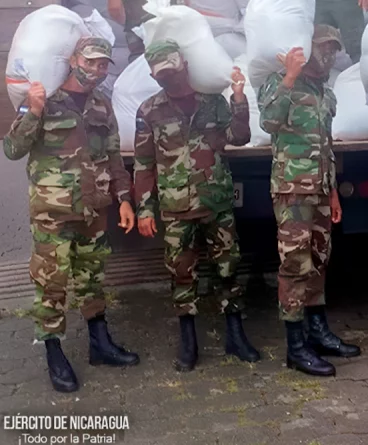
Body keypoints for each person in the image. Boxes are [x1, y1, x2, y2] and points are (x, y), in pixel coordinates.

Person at [3, 37, 140, 393]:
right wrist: (32, 112)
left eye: (103, 64)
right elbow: (12, 149)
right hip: (54, 213)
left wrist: (124, 199)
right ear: (74, 58)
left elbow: (113, 156)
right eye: (90, 61)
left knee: (92, 277)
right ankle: (53, 352)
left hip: (94, 209)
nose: (96, 69)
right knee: (52, 284)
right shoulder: (44, 99)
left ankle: (100, 344)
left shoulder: (101, 106)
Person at [133, 40, 257, 372]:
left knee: (228, 268)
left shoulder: (213, 102)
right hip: (176, 208)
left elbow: (240, 137)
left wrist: (239, 99)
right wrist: (144, 209)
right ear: (152, 75)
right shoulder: (149, 110)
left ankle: (235, 334)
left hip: (215, 201)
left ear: (184, 64)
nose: (168, 79)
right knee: (181, 275)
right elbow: (144, 164)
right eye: (161, 75)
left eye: (171, 71)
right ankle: (188, 340)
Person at [258, 24, 361, 377]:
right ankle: (296, 346)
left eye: (334, 48)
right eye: (323, 48)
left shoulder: (324, 92)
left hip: (319, 190)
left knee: (319, 260)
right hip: (291, 190)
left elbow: (327, 147)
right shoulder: (280, 82)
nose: (329, 54)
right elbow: (269, 121)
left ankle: (318, 332)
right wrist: (289, 75)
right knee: (294, 265)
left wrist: (332, 193)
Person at [107, 0, 188, 62]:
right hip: (174, 24)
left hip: (140, 33)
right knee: (181, 63)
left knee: (145, 70)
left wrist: (132, 24)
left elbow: (115, 8)